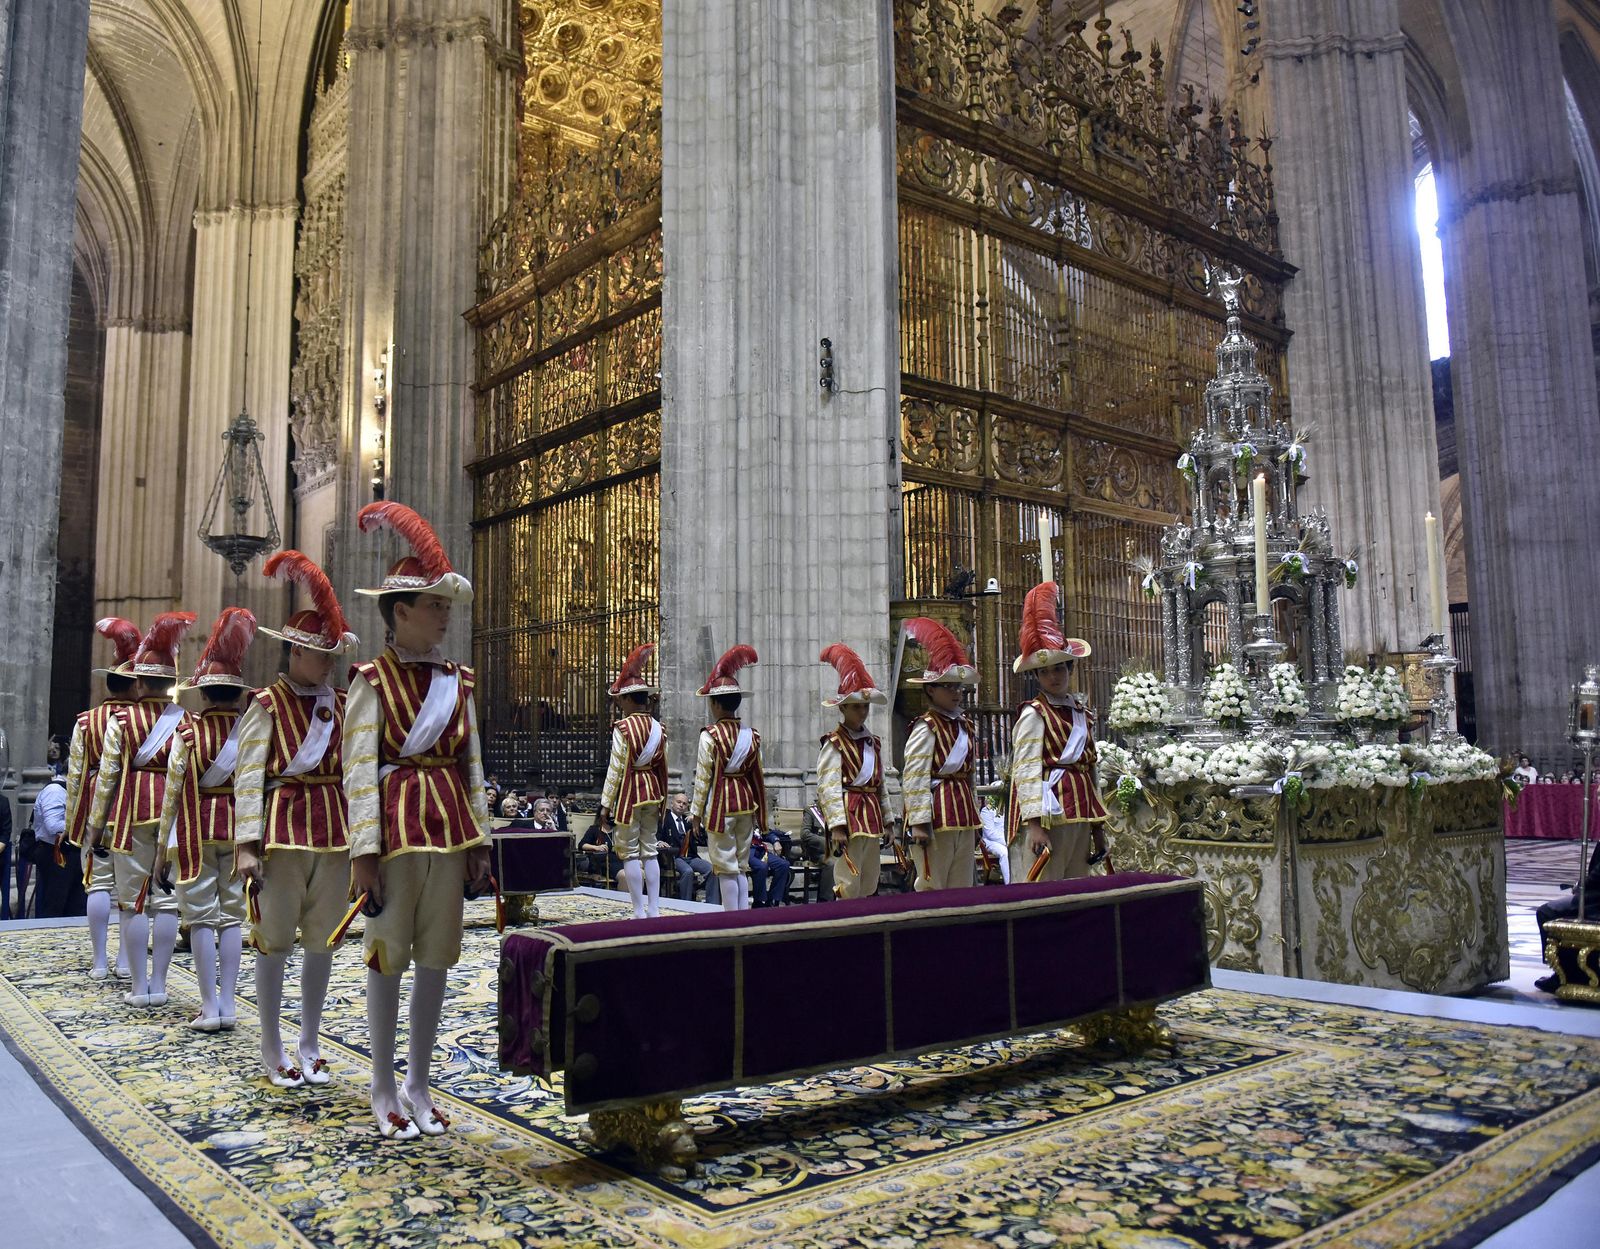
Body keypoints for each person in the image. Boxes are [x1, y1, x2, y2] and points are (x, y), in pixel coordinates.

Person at [345, 502, 491, 1140]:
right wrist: (362, 853)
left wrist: (481, 842)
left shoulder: (458, 683)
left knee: (437, 957)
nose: (444, 614)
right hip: (395, 831)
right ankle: (381, 1082)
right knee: (387, 954)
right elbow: (356, 770)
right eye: (434, 604)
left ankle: (419, 1082)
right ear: (400, 610)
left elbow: (471, 764)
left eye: (445, 605)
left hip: (451, 829)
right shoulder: (369, 682)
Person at [235, 551, 359, 1089]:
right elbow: (247, 776)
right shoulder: (266, 703)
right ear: (293, 652)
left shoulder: (343, 702)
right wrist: (246, 843)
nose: (328, 663)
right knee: (274, 939)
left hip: (334, 829)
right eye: (318, 654)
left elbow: (356, 771)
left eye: (332, 655)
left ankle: (309, 1040)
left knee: (322, 940)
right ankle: (271, 1043)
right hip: (283, 829)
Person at [85, 612, 199, 1007]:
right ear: (172, 683)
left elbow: (108, 776)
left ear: (140, 681)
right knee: (167, 901)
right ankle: (162, 984)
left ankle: (139, 988)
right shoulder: (190, 720)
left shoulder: (121, 717)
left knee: (133, 903)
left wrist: (95, 826)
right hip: (176, 816)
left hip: (131, 811)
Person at [158, 608, 255, 1034]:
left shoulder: (188, 733)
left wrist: (163, 847)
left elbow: (172, 795)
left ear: (203, 694)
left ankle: (209, 1005)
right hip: (238, 832)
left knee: (200, 916)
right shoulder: (250, 732)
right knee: (233, 915)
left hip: (196, 832)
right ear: (236, 696)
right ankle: (231, 1004)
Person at [1006, 581, 1107, 884]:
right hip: (1047, 816)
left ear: (1070, 670)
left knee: (1077, 886)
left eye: (1060, 668)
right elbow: (1025, 771)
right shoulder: (1033, 714)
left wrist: (1098, 828)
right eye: (1046, 671)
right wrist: (1034, 824)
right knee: (1044, 887)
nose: (1054, 676)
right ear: (1036, 675)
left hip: (1080, 813)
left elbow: (1091, 771)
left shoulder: (1081, 714)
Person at [64, 618, 143, 977]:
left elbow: (76, 775)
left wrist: (73, 823)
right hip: (132, 805)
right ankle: (126, 962)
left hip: (96, 801)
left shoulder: (86, 722)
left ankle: (99, 961)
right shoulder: (143, 721)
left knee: (97, 883)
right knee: (129, 888)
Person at [900, 617, 983, 893]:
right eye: (948, 686)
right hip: (937, 814)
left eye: (958, 687)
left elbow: (969, 777)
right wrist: (920, 823)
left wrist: (976, 815)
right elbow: (914, 776)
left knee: (962, 885)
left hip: (963, 813)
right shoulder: (926, 727)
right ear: (930, 689)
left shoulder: (965, 726)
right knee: (932, 883)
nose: (956, 692)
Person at [690, 645, 767, 912]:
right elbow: (758, 777)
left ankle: (731, 917)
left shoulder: (709, 735)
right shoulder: (752, 735)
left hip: (721, 807)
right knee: (742, 864)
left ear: (715, 703)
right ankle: (743, 914)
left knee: (725, 865)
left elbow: (703, 779)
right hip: (746, 804)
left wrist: (696, 813)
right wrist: (763, 814)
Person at [598, 643, 669, 919]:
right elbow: (663, 765)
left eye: (620, 700)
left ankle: (638, 910)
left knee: (629, 853)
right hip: (653, 791)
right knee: (649, 850)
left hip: (629, 794)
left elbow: (616, 768)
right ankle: (655, 908)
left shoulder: (623, 727)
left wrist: (605, 805)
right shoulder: (659, 729)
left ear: (628, 700)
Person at [817, 644, 889, 900]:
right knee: (848, 878)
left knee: (870, 878)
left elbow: (880, 784)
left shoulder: (873, 742)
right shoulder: (834, 743)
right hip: (849, 816)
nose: (862, 712)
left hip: (871, 815)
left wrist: (889, 819)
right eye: (857, 707)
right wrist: (836, 825)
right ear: (843, 708)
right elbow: (829, 787)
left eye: (865, 707)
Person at [1535, 843, 1600, 993]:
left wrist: (1580, 886)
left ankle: (1559, 974)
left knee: (1545, 912)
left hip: (1595, 901)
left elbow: (1596, 877)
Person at [31, 769, 78, 918]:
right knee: (55, 906)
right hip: (55, 854)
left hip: (71, 853)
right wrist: (83, 825)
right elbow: (53, 825)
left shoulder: (70, 790)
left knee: (75, 906)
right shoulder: (55, 790)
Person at [660, 791, 716, 903]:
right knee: (688, 871)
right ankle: (686, 903)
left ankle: (713, 903)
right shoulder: (665, 818)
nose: (681, 805)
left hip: (691, 857)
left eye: (684, 804)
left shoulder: (688, 821)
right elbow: (656, 834)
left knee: (712, 870)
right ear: (672, 803)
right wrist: (659, 842)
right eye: (678, 802)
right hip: (674, 857)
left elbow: (703, 840)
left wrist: (697, 823)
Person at [749, 826, 793, 907]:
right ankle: (759, 902)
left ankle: (772, 899)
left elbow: (766, 832)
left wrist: (776, 841)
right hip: (746, 852)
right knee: (762, 867)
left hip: (760, 851)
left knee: (783, 865)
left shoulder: (758, 820)